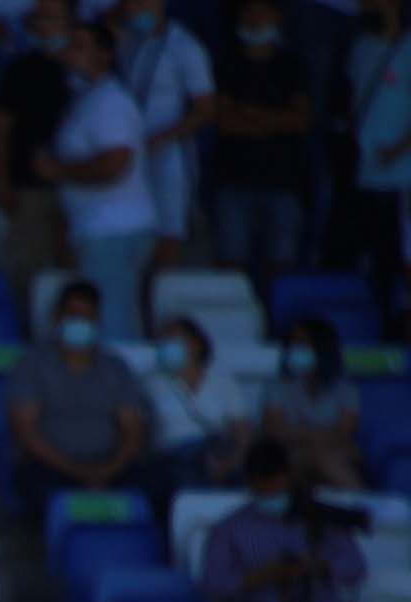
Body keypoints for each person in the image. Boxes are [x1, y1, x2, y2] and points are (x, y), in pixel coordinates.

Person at [201, 438, 378, 602]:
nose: (273, 494)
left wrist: (320, 567)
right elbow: (214, 584)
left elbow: (355, 568)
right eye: (266, 488)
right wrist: (265, 575)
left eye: (278, 486)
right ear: (252, 484)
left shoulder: (321, 517)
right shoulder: (230, 528)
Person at [34, 24, 157, 341]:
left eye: (79, 46)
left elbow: (116, 163)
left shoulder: (111, 102)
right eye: (70, 46)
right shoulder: (86, 98)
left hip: (114, 231)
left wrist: (58, 171)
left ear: (104, 54)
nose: (68, 53)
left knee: (114, 325)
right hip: (96, 230)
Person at [5, 278, 150, 515]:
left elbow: (133, 430)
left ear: (97, 321)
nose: (80, 321)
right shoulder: (31, 366)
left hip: (110, 466)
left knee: (153, 484)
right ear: (57, 318)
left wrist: (106, 471)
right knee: (35, 485)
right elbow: (26, 433)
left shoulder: (116, 368)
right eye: (73, 314)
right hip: (52, 467)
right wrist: (79, 472)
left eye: (87, 315)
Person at [212, 0, 310, 281]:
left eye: (263, 10)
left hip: (283, 180)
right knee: (231, 266)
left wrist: (252, 116)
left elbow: (301, 120)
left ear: (277, 16)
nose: (255, 18)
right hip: (233, 179)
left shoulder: (293, 64)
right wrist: (276, 121)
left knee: (282, 268)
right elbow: (225, 122)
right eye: (248, 10)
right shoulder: (226, 62)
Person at [115, 0, 215, 272]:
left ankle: (162, 293)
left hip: (169, 155)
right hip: (130, 152)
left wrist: (161, 139)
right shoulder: (128, 43)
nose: (134, 7)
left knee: (168, 228)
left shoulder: (185, 46)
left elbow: (205, 108)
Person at [0, 0, 72, 307]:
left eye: (52, 18)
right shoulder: (20, 70)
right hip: (30, 187)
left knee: (71, 269)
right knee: (28, 270)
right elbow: (0, 131)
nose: (44, 26)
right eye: (39, 19)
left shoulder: (85, 70)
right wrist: (2, 182)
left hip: (85, 189)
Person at [140, 314, 252, 508]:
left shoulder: (223, 381)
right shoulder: (151, 382)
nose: (167, 345)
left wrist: (231, 463)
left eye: (174, 339)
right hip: (173, 457)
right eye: (163, 340)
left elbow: (242, 432)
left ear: (196, 344)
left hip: (218, 451)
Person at [345, 0, 411, 321]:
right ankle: (381, 315)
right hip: (366, 167)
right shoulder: (361, 47)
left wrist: (399, 148)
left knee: (401, 248)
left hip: (403, 173)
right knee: (374, 249)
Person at [262, 316, 364, 489]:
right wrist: (320, 434)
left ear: (321, 348)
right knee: (310, 457)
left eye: (302, 343)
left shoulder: (345, 388)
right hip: (291, 456)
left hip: (335, 454)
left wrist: (301, 432)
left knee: (327, 458)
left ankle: (360, 500)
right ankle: (364, 501)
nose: (296, 349)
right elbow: (276, 432)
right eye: (293, 343)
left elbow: (344, 432)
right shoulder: (277, 386)